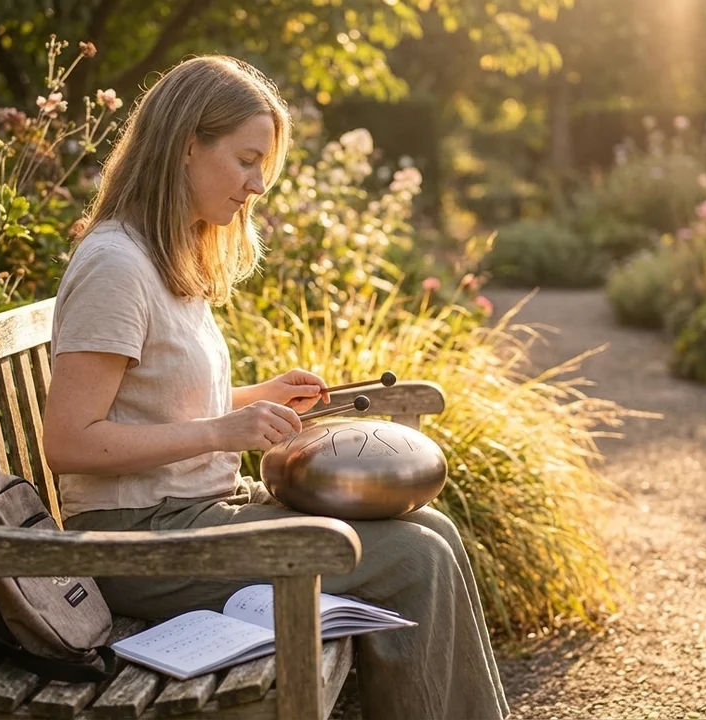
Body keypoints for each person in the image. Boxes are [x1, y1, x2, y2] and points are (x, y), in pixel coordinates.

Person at [42, 54, 508, 720]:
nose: (257, 184)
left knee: (434, 530)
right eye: (246, 159)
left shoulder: (163, 254)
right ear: (185, 147)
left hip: (195, 519)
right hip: (139, 544)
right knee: (411, 559)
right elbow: (69, 441)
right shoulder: (116, 266)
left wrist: (255, 400)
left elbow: (150, 406)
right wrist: (222, 432)